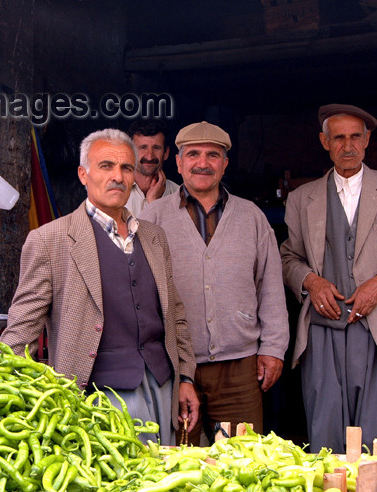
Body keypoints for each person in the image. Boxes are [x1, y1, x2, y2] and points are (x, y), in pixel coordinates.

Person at [0, 128, 199, 445]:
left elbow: (174, 313)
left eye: (126, 168)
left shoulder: (153, 237)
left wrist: (185, 377)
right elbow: (22, 326)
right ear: (83, 174)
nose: (117, 177)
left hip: (162, 386)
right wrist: (0, 392)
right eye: (106, 166)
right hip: (98, 395)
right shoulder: (50, 240)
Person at [280, 104, 377, 453]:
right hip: (322, 332)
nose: (347, 146)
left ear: (367, 142)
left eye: (355, 137)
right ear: (324, 142)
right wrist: (310, 281)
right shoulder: (302, 198)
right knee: (326, 442)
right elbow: (289, 256)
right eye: (338, 138)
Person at [139, 121, 289, 445]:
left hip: (240, 369)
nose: (203, 163)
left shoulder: (252, 218)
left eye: (213, 155)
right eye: (193, 154)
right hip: (175, 366)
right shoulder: (152, 218)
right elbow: (138, 293)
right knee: (183, 465)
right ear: (178, 162)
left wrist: (274, 349)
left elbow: (271, 288)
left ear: (225, 164)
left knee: (243, 462)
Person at [125, 120, 180, 217]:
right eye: (143, 147)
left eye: (156, 148)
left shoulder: (179, 195)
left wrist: (154, 202)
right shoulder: (113, 192)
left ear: (166, 153)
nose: (150, 156)